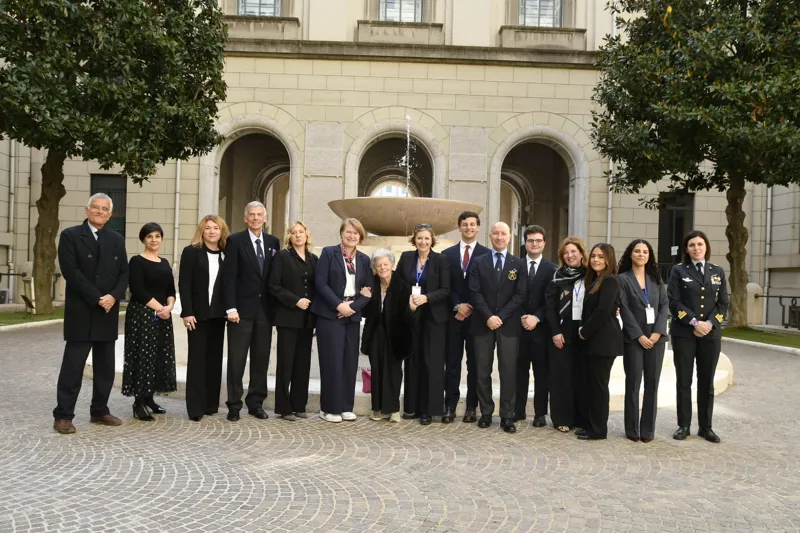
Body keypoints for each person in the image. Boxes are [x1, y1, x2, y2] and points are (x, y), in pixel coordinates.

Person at [53, 193, 129, 434]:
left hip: (107, 310)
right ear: (87, 211)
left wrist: (113, 296)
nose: (99, 211)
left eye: (104, 209)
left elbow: (123, 274)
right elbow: (71, 272)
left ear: (109, 214)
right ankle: (63, 415)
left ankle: (100, 410)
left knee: (105, 367)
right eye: (95, 208)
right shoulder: (71, 236)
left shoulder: (116, 239)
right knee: (73, 367)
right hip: (82, 311)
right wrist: (97, 297)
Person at [668, 230, 729, 443]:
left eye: (700, 244)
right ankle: (683, 425)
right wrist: (694, 322)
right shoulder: (678, 271)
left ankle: (706, 427)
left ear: (706, 247)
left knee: (706, 382)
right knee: (684, 381)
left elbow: (723, 303)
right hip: (684, 333)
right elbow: (674, 301)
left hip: (710, 335)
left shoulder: (717, 271)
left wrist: (709, 324)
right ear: (686, 249)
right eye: (692, 245)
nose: (696, 248)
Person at [222, 201, 280, 422]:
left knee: (260, 360)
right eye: (251, 215)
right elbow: (229, 278)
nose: (256, 218)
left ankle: (256, 403)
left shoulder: (273, 242)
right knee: (236, 360)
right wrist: (231, 307)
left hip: (265, 312)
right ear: (245, 218)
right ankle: (234, 405)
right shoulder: (235, 241)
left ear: (265, 218)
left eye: (259, 215)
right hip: (240, 312)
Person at [310, 218, 372, 423]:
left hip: (351, 316)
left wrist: (350, 308)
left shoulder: (363, 259)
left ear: (360, 236)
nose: (352, 236)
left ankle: (346, 406)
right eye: (348, 232)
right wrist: (339, 305)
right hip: (330, 314)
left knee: (349, 362)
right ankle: (329, 408)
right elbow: (320, 283)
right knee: (332, 362)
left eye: (356, 233)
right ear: (341, 233)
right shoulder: (329, 253)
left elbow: (368, 291)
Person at [468, 222, 527, 433]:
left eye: (503, 234)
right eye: (496, 233)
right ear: (490, 236)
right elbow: (474, 292)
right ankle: (485, 412)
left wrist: (499, 317)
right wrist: (488, 316)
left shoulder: (518, 264)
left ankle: (507, 415)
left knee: (508, 372)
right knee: (482, 370)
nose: (499, 237)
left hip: (508, 326)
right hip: (483, 324)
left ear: (509, 237)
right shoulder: (478, 262)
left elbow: (520, 295)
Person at [396, 224, 451, 424]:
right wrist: (408, 300)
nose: (423, 242)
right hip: (412, 316)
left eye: (427, 238)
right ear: (414, 239)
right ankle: (411, 407)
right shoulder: (406, 257)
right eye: (419, 238)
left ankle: (429, 409)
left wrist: (426, 298)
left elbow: (446, 289)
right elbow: (400, 284)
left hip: (433, 318)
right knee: (412, 362)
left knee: (431, 363)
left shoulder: (440, 260)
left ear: (432, 240)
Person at [122, 222, 177, 421]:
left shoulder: (164, 263)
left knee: (158, 356)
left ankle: (150, 398)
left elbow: (171, 289)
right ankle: (138, 402)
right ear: (143, 239)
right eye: (150, 236)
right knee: (142, 356)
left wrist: (169, 307)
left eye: (157, 236)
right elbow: (138, 290)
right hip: (142, 315)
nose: (154, 240)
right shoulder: (136, 261)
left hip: (162, 315)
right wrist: (160, 308)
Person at [178, 215, 229, 422]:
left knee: (215, 360)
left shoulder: (227, 254)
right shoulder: (191, 252)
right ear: (202, 231)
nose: (211, 231)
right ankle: (195, 408)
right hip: (197, 315)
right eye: (207, 228)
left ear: (221, 231)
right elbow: (184, 283)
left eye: (215, 228)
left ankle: (210, 404)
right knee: (197, 360)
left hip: (218, 315)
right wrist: (187, 311)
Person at [618, 239, 669, 442]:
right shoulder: (622, 279)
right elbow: (624, 308)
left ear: (650, 256)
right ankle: (632, 429)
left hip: (656, 340)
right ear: (631, 254)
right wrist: (639, 335)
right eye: (637, 251)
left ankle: (647, 429)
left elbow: (664, 306)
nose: (641, 254)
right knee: (633, 384)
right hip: (633, 339)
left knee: (652, 385)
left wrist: (657, 333)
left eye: (645, 252)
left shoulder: (656, 280)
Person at [442, 211, 490, 423]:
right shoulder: (447, 254)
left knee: (475, 365)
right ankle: (450, 406)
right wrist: (457, 306)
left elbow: (486, 288)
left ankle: (472, 407)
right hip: (453, 318)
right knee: (452, 363)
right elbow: (446, 285)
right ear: (459, 227)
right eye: (465, 224)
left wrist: (470, 307)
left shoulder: (487, 255)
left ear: (478, 227)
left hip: (477, 319)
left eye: (473, 224)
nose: (469, 227)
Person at [268, 221, 318, 421]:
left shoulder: (314, 259)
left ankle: (299, 405)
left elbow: (317, 287)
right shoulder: (282, 257)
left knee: (302, 364)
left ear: (307, 234)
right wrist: (295, 300)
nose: (298, 235)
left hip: (307, 320)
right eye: (294, 232)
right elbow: (273, 285)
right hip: (288, 317)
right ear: (289, 236)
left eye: (301, 232)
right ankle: (283, 407)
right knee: (286, 363)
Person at [577, 243, 622, 440]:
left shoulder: (610, 281)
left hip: (604, 343)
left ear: (609, 260)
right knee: (591, 385)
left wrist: (584, 332)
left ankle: (598, 430)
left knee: (599, 386)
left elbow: (602, 311)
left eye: (601, 257)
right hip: (593, 342)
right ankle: (590, 425)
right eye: (594, 256)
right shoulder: (595, 280)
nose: (596, 260)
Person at [361, 249, 411, 423]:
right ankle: (377, 409)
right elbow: (366, 312)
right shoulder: (372, 283)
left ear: (392, 265)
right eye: (379, 265)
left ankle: (394, 409)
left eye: (385, 265)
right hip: (376, 332)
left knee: (393, 371)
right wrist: (364, 298)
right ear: (375, 267)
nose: (382, 268)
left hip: (396, 333)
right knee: (377, 369)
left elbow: (407, 313)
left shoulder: (402, 285)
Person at [545, 236, 589, 433]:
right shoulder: (557, 277)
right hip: (562, 331)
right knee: (561, 377)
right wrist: (555, 332)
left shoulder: (590, 276)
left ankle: (580, 418)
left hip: (584, 332)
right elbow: (549, 307)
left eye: (574, 251)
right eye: (566, 252)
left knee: (581, 376)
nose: (570, 255)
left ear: (581, 253)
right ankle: (562, 418)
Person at [515, 225, 557, 427]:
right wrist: (523, 317)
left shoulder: (552, 269)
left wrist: (537, 317)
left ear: (544, 243)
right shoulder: (515, 266)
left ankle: (540, 413)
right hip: (518, 328)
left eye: (538, 240)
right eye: (531, 240)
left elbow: (552, 301)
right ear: (525, 242)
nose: (534, 244)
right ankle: (518, 410)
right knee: (519, 372)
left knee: (542, 374)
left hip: (542, 330)